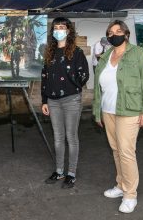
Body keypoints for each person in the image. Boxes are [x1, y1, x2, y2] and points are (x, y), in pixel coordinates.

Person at [93, 20, 143, 214]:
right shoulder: (105, 56)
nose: (114, 35)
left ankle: (130, 194)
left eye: (118, 31)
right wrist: (98, 111)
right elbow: (98, 88)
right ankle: (121, 186)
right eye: (110, 33)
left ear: (126, 34)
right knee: (116, 150)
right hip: (108, 109)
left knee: (127, 152)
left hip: (130, 110)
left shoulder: (138, 54)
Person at [41, 17, 89, 188]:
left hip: (71, 100)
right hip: (52, 101)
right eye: (56, 27)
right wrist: (44, 100)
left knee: (71, 137)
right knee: (58, 138)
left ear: (69, 31)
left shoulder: (77, 52)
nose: (58, 30)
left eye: (62, 27)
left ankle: (72, 173)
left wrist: (68, 80)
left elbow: (84, 76)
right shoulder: (50, 52)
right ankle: (59, 170)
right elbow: (44, 77)